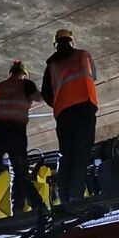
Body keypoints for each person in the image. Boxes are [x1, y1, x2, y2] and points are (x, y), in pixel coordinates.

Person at [0, 60, 45, 221]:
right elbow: (40, 98)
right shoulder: (26, 85)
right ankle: (17, 209)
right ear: (23, 75)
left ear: (10, 74)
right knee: (18, 172)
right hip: (16, 132)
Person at [41, 28, 98, 206]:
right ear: (71, 41)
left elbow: (46, 93)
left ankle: (64, 197)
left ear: (55, 45)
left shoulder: (51, 66)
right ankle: (75, 196)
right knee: (80, 154)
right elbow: (93, 76)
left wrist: (60, 102)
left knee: (65, 155)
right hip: (84, 107)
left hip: (64, 114)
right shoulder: (83, 56)